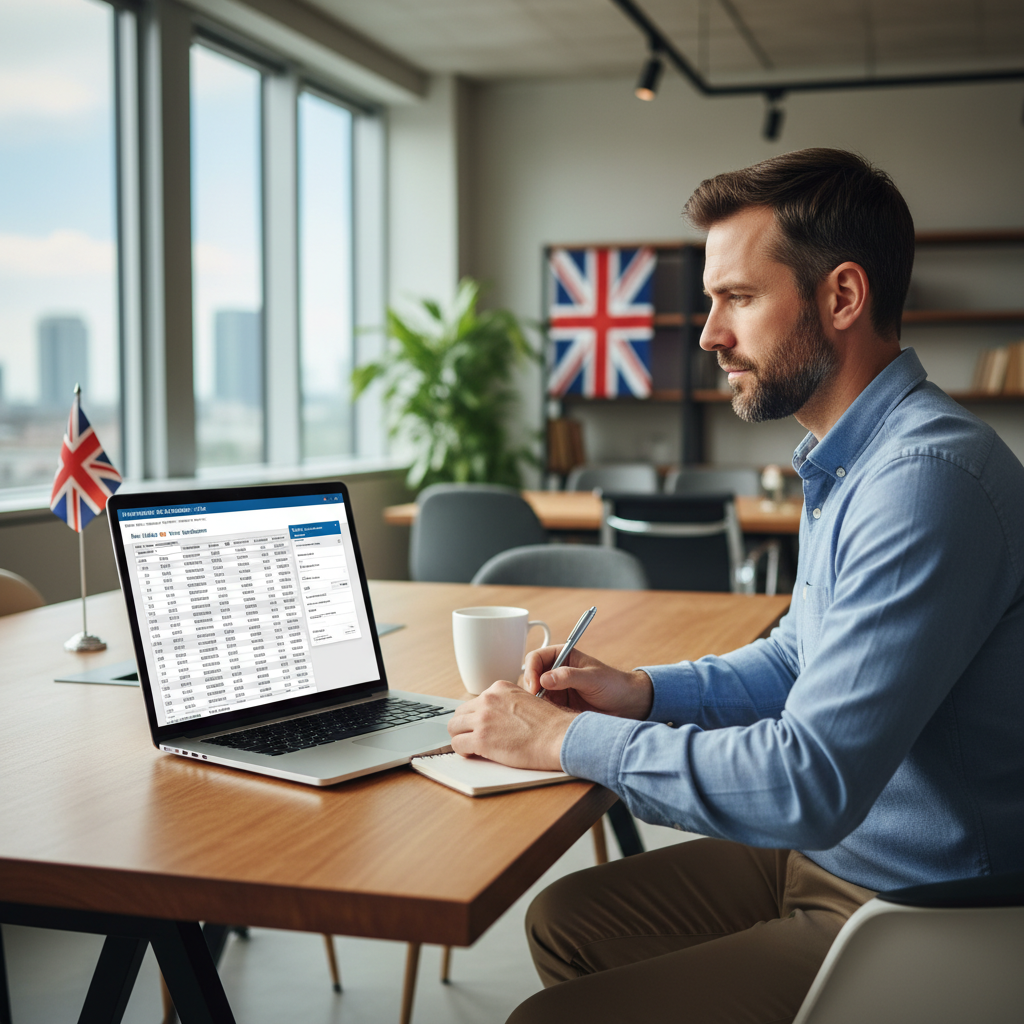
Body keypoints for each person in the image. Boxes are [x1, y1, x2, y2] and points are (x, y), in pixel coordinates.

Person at [447, 148, 1024, 1024]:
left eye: (739, 299)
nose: (711, 333)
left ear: (841, 297)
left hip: (916, 903)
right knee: (568, 919)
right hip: (835, 849)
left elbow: (811, 778)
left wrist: (566, 743)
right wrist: (638, 693)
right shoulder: (851, 456)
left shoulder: (925, 478)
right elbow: (800, 655)